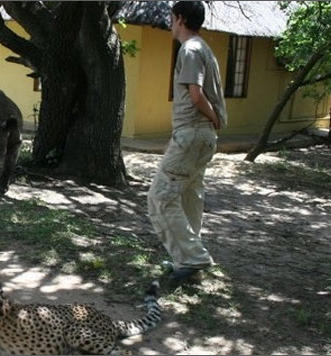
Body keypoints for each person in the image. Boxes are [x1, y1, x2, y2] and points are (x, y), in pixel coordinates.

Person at [147, 1, 227, 283]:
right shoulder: (204, 48)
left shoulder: (190, 49)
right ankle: (186, 264)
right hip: (199, 136)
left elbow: (195, 95)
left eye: (171, 17)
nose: (170, 22)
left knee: (159, 197)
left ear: (179, 19)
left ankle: (194, 258)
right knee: (190, 196)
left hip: (194, 133)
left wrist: (214, 118)